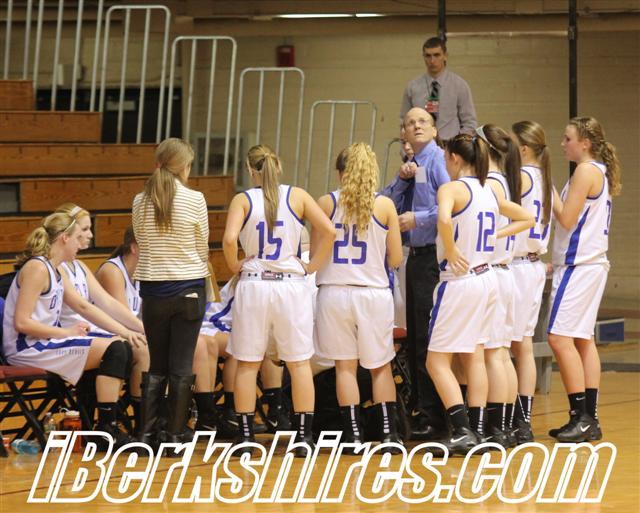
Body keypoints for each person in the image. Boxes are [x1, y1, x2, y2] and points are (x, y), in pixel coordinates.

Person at [222, 144, 335, 454]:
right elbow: (329, 230)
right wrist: (313, 266)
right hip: (290, 286)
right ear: (278, 166)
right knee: (298, 364)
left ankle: (246, 438)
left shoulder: (243, 199)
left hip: (255, 284)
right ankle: (304, 438)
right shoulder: (297, 196)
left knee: (248, 363)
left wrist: (233, 265)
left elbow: (229, 239)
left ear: (250, 170)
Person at [426, 134, 534, 455]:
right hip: (487, 278)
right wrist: (496, 234)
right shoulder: (490, 190)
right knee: (474, 356)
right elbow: (526, 218)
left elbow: (443, 218)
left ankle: (461, 430)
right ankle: (477, 430)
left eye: (445, 157)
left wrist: (451, 247)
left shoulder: (452, 189)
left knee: (436, 362)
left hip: (459, 281)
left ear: (455, 158)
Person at [1, 212, 147, 449]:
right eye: (79, 236)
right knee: (116, 350)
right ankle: (106, 430)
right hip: (26, 348)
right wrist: (67, 332)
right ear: (64, 238)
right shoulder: (37, 268)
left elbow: (86, 307)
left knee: (119, 347)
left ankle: (100, 428)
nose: (82, 243)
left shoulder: (55, 270)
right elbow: (22, 323)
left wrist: (128, 330)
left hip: (43, 343)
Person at [315, 143, 403, 451]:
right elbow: (395, 258)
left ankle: (353, 436)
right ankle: (389, 436)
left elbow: (317, 254)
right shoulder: (385, 205)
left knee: (344, 367)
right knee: (380, 367)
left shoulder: (326, 203)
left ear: (340, 173)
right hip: (372, 294)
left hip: (334, 293)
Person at [547, 117, 621, 442]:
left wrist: (547, 189)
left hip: (580, 266)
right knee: (582, 340)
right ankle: (590, 418)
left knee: (559, 339)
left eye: (568, 138)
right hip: (591, 265)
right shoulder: (595, 171)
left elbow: (566, 218)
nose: (563, 144)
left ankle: (580, 416)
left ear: (585, 143)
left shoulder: (586, 171)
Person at [132, 138, 210, 449]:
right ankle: (174, 436)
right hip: (189, 288)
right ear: (184, 167)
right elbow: (202, 246)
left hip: (153, 290)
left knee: (157, 365)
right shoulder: (195, 198)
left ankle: (147, 434)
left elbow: (140, 242)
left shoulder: (140, 201)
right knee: (181, 365)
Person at [382, 107, 449, 438]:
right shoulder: (413, 165)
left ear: (434, 130)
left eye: (423, 121)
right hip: (414, 259)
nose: (416, 126)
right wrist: (401, 179)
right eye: (410, 123)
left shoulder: (438, 161)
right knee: (416, 338)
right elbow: (385, 202)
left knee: (428, 339)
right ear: (404, 134)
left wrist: (417, 218)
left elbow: (452, 205)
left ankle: (435, 416)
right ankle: (423, 412)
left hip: (433, 259)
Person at [53, 205, 149, 433]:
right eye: (85, 229)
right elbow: (83, 306)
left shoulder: (79, 266)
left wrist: (143, 329)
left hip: (89, 332)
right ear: (68, 233)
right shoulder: (54, 266)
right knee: (128, 348)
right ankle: (111, 425)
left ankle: (144, 425)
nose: (90, 235)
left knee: (142, 345)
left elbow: (108, 303)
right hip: (65, 336)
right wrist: (128, 332)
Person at [510, 120, 554, 443]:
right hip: (534, 265)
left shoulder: (522, 176)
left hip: (518, 266)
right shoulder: (546, 179)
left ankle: (508, 417)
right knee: (522, 346)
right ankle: (523, 419)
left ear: (523, 149)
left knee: (505, 347)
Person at [480, 124, 522, 447]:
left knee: (494, 356)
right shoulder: (505, 180)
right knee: (503, 355)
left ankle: (496, 427)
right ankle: (505, 426)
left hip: (495, 271)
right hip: (507, 274)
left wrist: (494, 235)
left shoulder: (490, 184)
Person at [400, 37, 477, 141]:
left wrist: (459, 146)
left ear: (445, 56)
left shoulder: (459, 85)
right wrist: (407, 148)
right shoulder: (412, 87)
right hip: (421, 145)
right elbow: (404, 122)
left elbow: (469, 123)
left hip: (450, 144)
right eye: (428, 56)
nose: (432, 61)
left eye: (436, 55)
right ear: (423, 57)